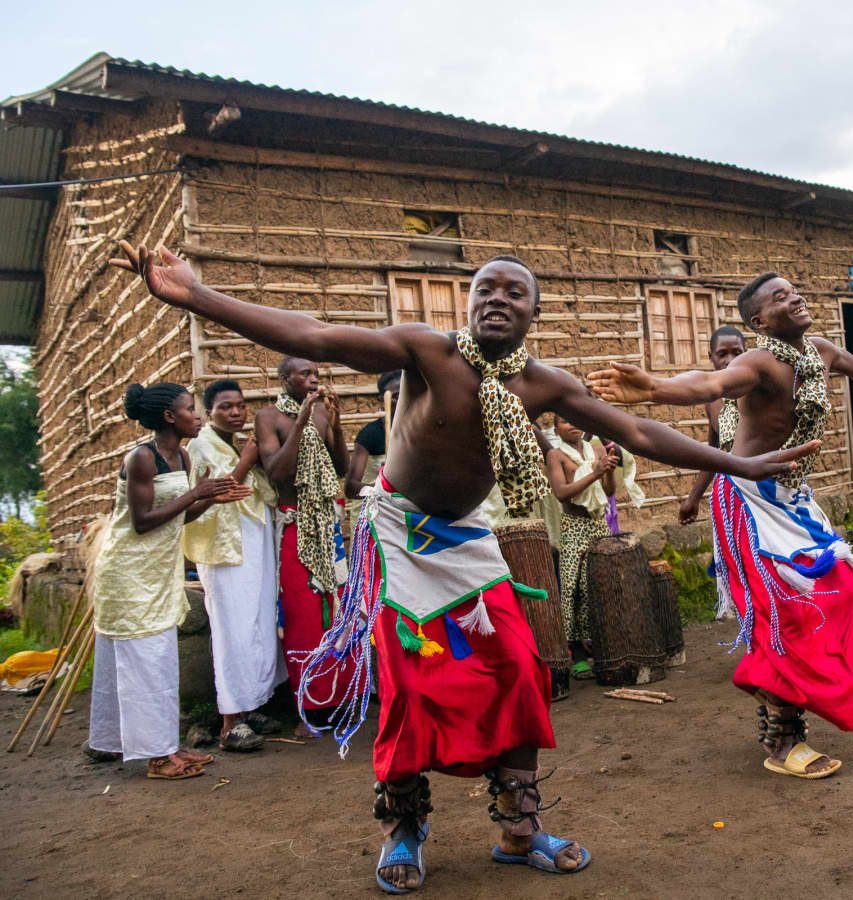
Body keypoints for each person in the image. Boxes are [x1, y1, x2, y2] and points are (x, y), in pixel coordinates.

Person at [112, 243, 812, 893]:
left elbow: (637, 432)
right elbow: (313, 335)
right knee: (413, 684)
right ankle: (405, 826)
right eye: (485, 289)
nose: (497, 298)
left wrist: (738, 463)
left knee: (517, 669)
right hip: (398, 535)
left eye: (515, 292)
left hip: (469, 542)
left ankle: (517, 825)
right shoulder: (428, 350)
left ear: (535, 314)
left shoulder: (544, 385)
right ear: (468, 304)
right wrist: (196, 295)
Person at [588, 271, 853, 780]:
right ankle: (785, 738)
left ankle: (779, 705)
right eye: (780, 297)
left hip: (792, 499)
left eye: (795, 291)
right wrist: (655, 388)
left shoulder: (820, 351)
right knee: (785, 613)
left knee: (843, 591)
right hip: (746, 499)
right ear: (759, 321)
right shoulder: (757, 363)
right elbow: (711, 383)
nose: (796, 298)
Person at [86, 382, 250, 777]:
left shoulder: (182, 457)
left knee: (160, 662)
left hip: (158, 572)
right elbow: (143, 523)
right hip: (128, 573)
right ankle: (157, 757)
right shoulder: (141, 458)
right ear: (169, 417)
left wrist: (209, 499)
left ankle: (168, 745)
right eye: (191, 410)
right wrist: (195, 495)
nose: (197, 416)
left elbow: (179, 518)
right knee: (146, 662)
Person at [182, 379, 286, 752]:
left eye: (240, 405)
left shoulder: (235, 443)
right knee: (233, 630)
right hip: (223, 550)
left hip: (251, 542)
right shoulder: (199, 446)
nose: (236, 412)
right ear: (209, 411)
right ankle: (229, 721)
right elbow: (209, 496)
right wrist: (247, 461)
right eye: (226, 406)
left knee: (258, 623)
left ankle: (252, 704)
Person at [253, 357, 353, 737]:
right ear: (284, 379)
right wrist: (302, 421)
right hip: (295, 525)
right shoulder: (268, 417)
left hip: (327, 525)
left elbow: (340, 468)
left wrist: (337, 424)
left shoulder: (323, 416)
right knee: (302, 615)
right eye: (304, 374)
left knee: (337, 610)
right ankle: (308, 707)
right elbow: (278, 471)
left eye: (316, 374)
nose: (313, 380)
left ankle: (341, 700)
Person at [545, 414, 618, 678]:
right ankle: (575, 652)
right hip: (574, 526)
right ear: (556, 429)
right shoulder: (556, 455)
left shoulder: (596, 449)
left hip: (598, 524)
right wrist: (595, 472)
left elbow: (609, 491)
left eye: (575, 420)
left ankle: (597, 644)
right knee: (572, 587)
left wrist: (607, 472)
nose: (572, 424)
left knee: (596, 585)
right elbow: (562, 493)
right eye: (564, 422)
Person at [679, 325, 748, 524]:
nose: (730, 360)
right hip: (732, 495)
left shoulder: (759, 392)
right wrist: (693, 498)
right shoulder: (712, 400)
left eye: (737, 353)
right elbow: (715, 452)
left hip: (765, 488)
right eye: (722, 354)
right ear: (711, 357)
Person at [345, 371, 400, 501]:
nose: (401, 400)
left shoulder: (418, 432)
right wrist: (382, 490)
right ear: (382, 400)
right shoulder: (370, 434)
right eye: (396, 396)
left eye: (405, 395)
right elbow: (351, 488)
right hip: (374, 511)